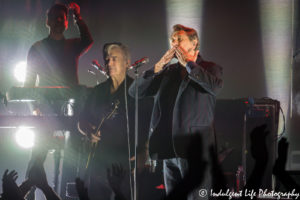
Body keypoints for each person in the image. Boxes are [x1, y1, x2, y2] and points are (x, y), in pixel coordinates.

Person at [129, 24, 223, 200]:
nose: (174, 43)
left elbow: (215, 87)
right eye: (172, 40)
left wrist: (189, 64)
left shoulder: (209, 68)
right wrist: (157, 67)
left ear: (194, 43)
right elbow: (135, 92)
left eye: (179, 39)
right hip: (168, 150)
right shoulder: (168, 72)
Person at [78, 42, 134, 200]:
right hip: (98, 160)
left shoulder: (136, 90)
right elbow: (81, 120)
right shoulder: (98, 91)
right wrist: (88, 131)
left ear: (127, 63)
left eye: (114, 59)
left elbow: (149, 123)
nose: (109, 63)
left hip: (124, 161)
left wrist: (144, 151)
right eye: (107, 59)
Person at [25, 2, 93, 87]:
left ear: (66, 24)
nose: (58, 20)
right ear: (48, 22)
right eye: (55, 17)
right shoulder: (38, 48)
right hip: (46, 99)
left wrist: (77, 16)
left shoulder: (72, 45)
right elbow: (29, 83)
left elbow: (88, 41)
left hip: (71, 98)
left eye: (62, 17)